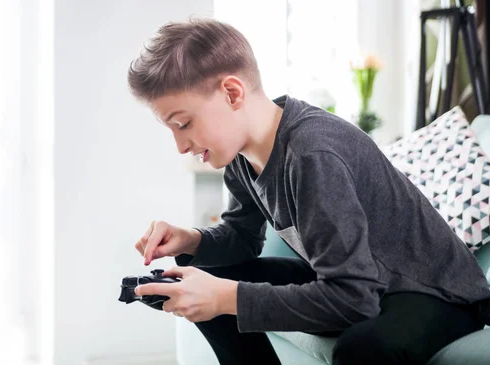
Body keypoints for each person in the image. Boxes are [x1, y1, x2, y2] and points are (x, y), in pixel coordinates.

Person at [126, 17, 490, 365]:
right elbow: (242, 239)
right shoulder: (240, 156)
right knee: (200, 273)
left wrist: (228, 297)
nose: (180, 145)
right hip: (363, 286)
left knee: (360, 349)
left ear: (232, 93)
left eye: (184, 124)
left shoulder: (312, 154)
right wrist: (188, 240)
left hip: (436, 296)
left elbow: (353, 298)